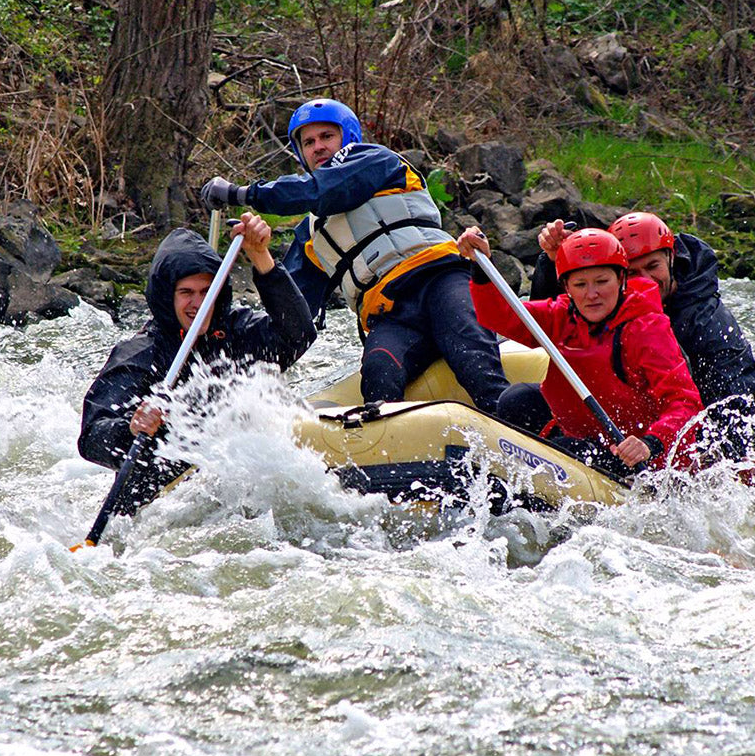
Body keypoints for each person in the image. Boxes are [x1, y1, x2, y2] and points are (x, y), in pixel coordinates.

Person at [200, 98, 509, 409]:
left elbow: (321, 190)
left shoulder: (376, 161)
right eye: (308, 142)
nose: (317, 147)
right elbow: (293, 315)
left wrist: (241, 194)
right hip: (389, 313)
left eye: (326, 137)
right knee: (378, 372)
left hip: (440, 280)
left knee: (472, 355)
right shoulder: (310, 235)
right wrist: (225, 338)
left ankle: (509, 421)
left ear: (347, 137)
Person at [77, 213, 316, 505]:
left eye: (206, 291)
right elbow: (91, 438)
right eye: (186, 293)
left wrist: (261, 256)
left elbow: (299, 334)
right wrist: (130, 427)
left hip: (231, 484)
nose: (198, 303)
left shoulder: (236, 332)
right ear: (168, 298)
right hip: (162, 498)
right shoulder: (140, 355)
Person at [457, 225, 704, 475]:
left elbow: (684, 401)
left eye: (601, 281)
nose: (592, 294)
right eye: (580, 284)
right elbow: (499, 316)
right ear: (566, 287)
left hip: (635, 453)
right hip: (583, 437)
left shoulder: (646, 328)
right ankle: (559, 454)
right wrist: (481, 266)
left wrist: (651, 443)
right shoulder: (562, 314)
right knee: (517, 400)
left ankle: (572, 459)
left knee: (572, 449)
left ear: (621, 279)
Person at [531, 213, 755, 413]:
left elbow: (735, 402)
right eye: (633, 272)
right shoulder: (609, 298)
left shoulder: (706, 322)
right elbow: (551, 323)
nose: (646, 280)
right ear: (617, 275)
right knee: (520, 400)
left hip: (673, 422)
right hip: (621, 406)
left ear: (671, 258)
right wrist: (554, 263)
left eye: (652, 266)